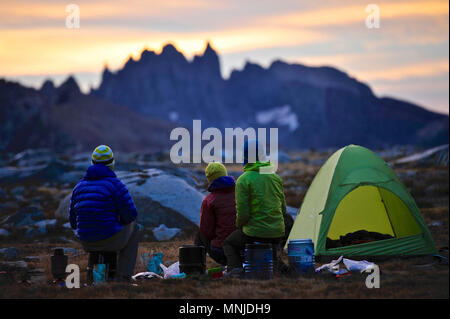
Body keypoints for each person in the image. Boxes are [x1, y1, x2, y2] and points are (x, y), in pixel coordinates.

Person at [69, 145, 138, 282]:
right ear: (112, 163)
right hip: (109, 239)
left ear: (92, 162)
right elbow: (131, 215)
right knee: (135, 227)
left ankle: (93, 273)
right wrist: (118, 221)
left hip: (87, 241)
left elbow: (73, 222)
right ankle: (123, 277)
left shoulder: (78, 187)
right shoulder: (116, 185)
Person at [222, 139, 286, 277]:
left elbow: (243, 214)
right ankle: (277, 269)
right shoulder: (275, 177)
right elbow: (283, 209)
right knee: (270, 247)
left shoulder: (244, 180)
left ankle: (236, 271)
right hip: (277, 232)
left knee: (229, 243)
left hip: (255, 232)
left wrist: (238, 225)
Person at [195, 162, 236, 265]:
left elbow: (207, 232)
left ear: (209, 179)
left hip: (222, 252)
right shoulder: (240, 193)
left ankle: (196, 266)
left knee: (200, 234)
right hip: (245, 248)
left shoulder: (209, 200)